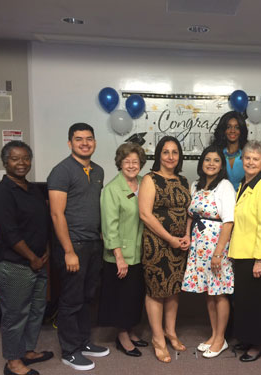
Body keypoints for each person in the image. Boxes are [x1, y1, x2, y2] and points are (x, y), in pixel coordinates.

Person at [0, 141, 53, 375]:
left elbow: (42, 223)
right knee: (15, 315)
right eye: (15, 158)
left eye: (26, 158)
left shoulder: (32, 189)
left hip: (38, 262)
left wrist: (44, 252)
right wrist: (32, 258)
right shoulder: (1, 194)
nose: (22, 163)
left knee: (36, 310)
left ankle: (26, 351)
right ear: (5, 162)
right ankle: (13, 362)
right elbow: (10, 232)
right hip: (13, 264)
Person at [47, 123, 108, 371]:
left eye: (89, 139)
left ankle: (83, 342)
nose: (85, 143)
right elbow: (56, 214)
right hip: (73, 246)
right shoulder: (61, 171)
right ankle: (70, 351)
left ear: (94, 142)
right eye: (79, 139)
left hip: (94, 244)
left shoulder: (98, 170)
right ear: (70, 142)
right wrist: (69, 251)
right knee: (71, 300)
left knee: (87, 297)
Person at [138, 136, 190, 363]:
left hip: (179, 245)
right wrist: (169, 238)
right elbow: (145, 214)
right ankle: (158, 338)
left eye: (175, 152)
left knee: (174, 288)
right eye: (166, 152)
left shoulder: (183, 180)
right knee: (157, 290)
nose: (170, 156)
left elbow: (190, 211)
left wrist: (186, 235)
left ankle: (170, 331)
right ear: (159, 154)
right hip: (157, 244)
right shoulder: (150, 179)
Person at [182, 145, 236, 358]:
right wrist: (187, 235)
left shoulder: (225, 186)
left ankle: (221, 338)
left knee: (220, 292)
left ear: (221, 165)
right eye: (207, 160)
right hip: (198, 245)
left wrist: (218, 253)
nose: (211, 163)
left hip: (216, 246)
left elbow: (229, 222)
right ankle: (214, 335)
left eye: (216, 160)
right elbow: (190, 214)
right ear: (201, 163)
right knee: (209, 292)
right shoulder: (195, 185)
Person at [228, 140, 261, 362]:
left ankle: (260, 344)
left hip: (258, 256)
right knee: (245, 300)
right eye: (247, 157)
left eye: (255, 159)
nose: (250, 162)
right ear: (242, 160)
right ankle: (248, 337)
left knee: (258, 302)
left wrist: (260, 259)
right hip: (242, 253)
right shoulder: (244, 184)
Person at [98, 143, 148, 357]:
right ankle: (122, 336)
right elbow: (109, 226)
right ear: (119, 163)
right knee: (121, 297)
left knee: (135, 295)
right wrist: (119, 257)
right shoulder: (111, 189)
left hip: (140, 252)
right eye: (126, 161)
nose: (131, 165)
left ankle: (131, 329)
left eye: (135, 162)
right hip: (120, 254)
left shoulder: (143, 185)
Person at [211, 111, 248, 190]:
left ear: (241, 130)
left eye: (237, 127)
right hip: (220, 199)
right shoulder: (216, 154)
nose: (232, 131)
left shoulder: (248, 154)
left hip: (244, 199)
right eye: (228, 127)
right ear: (223, 130)